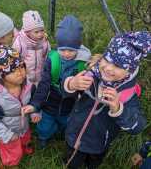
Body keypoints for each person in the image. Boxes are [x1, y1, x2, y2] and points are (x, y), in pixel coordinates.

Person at [63, 31, 149, 169]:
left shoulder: (127, 94)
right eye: (107, 60)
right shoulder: (90, 75)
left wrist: (118, 109)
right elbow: (64, 91)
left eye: (118, 66)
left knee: (93, 163)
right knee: (71, 162)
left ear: (130, 71)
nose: (108, 68)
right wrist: (71, 84)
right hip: (73, 135)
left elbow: (137, 127)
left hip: (99, 144)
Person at [25, 15, 91, 149]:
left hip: (69, 104)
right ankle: (43, 137)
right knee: (45, 125)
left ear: (78, 47)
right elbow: (43, 85)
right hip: (49, 103)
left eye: (71, 50)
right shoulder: (52, 60)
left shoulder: (82, 64)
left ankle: (62, 133)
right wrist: (35, 105)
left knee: (66, 122)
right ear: (58, 47)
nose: (66, 54)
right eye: (62, 50)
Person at [0, 46, 37, 168]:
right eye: (13, 70)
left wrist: (34, 112)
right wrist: (7, 135)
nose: (20, 72)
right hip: (8, 131)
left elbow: (33, 101)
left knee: (25, 138)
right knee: (12, 151)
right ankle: (9, 163)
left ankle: (24, 146)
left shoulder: (28, 85)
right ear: (0, 74)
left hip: (25, 126)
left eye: (21, 66)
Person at [13, 10, 50, 86]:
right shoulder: (20, 43)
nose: (40, 34)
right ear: (27, 32)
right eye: (36, 32)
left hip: (40, 76)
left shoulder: (44, 41)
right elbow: (14, 60)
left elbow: (47, 56)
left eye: (42, 30)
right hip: (25, 78)